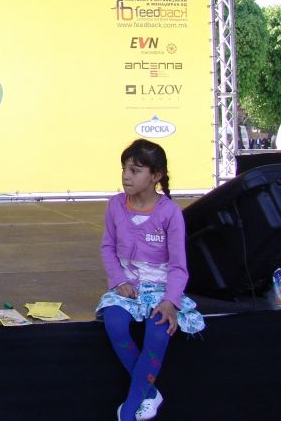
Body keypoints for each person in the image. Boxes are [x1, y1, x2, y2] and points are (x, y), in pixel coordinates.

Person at [96, 139, 204, 421]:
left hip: (161, 290)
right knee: (114, 322)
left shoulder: (170, 213)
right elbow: (107, 247)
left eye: (135, 170)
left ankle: (129, 410)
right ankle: (149, 393)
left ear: (156, 176)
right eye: (124, 169)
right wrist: (118, 280)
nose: (126, 176)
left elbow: (179, 266)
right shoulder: (115, 206)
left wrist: (170, 301)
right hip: (127, 288)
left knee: (158, 332)